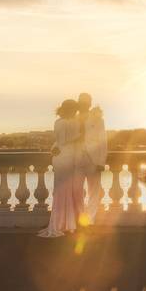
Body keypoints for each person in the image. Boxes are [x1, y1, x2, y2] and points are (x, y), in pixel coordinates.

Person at [38, 99, 82, 238]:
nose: (76, 112)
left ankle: (62, 223)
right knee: (66, 191)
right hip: (67, 158)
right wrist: (81, 135)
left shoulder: (59, 122)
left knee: (62, 191)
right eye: (74, 110)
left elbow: (58, 142)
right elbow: (64, 140)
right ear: (70, 110)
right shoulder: (68, 122)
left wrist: (54, 149)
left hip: (61, 157)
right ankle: (66, 223)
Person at [75, 92, 108, 224]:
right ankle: (80, 218)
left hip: (94, 159)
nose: (83, 104)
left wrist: (101, 161)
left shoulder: (98, 119)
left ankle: (90, 221)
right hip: (76, 159)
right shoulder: (73, 118)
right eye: (81, 101)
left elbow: (103, 141)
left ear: (89, 103)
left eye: (86, 101)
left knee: (94, 191)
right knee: (76, 190)